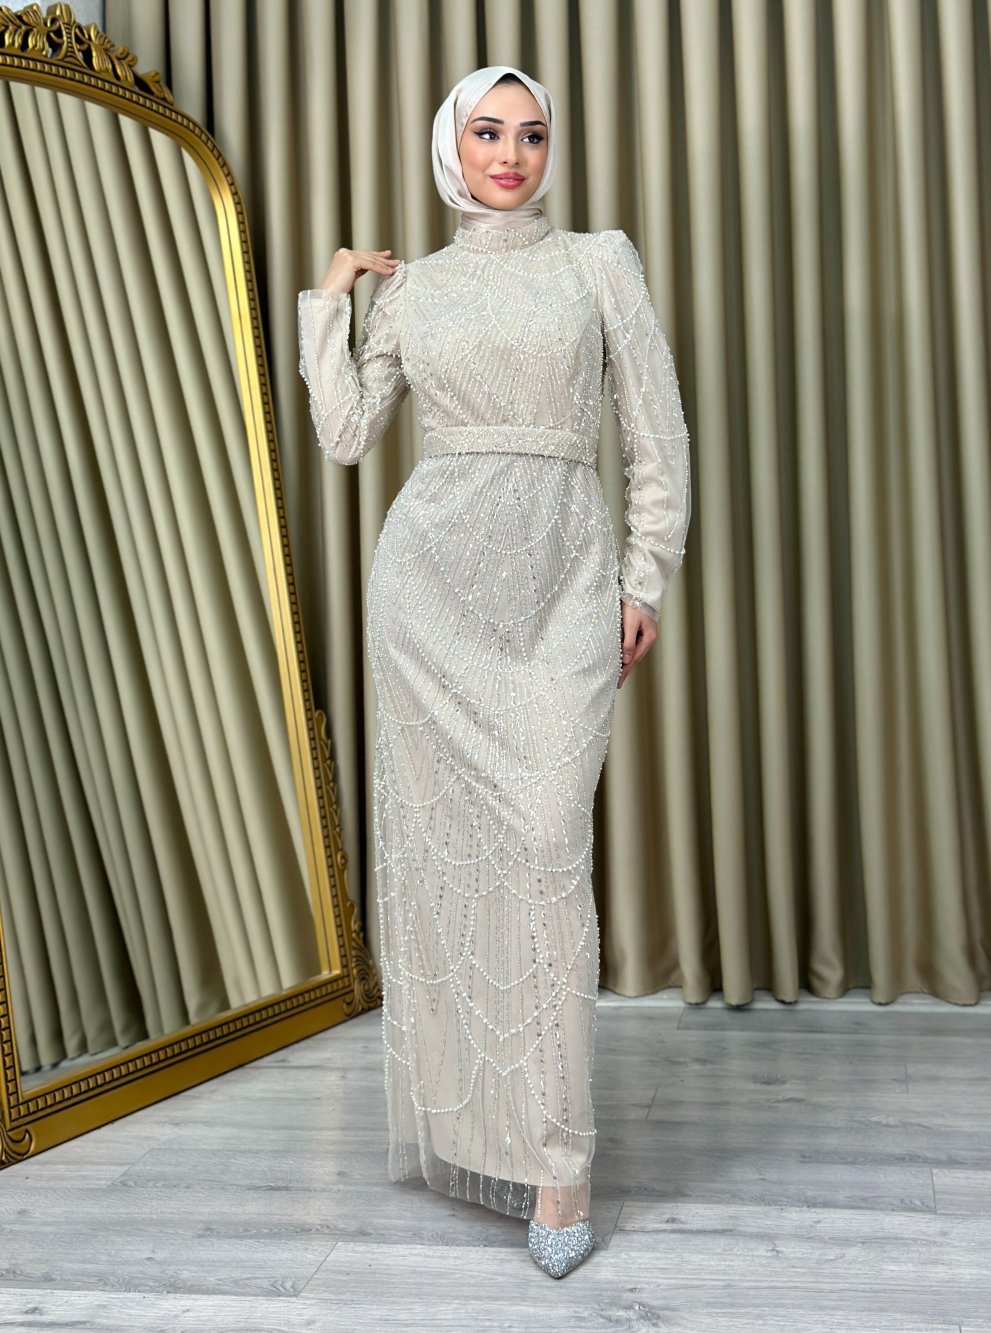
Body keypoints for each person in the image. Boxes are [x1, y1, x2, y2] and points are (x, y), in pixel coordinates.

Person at [297, 64, 691, 1279]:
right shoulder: (413, 290)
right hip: (429, 600)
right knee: (448, 869)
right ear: (451, 148)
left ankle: (561, 1158)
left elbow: (656, 432)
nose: (510, 154)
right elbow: (347, 436)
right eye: (487, 132)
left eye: (529, 134)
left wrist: (644, 578)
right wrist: (330, 302)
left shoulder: (597, 263)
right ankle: (487, 1134)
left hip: (564, 587)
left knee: (546, 847)